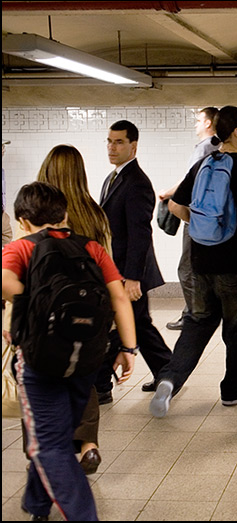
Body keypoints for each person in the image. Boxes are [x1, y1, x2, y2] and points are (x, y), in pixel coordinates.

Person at [2, 182, 136, 521]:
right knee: (60, 434)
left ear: (23, 221)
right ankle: (36, 504)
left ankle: (83, 515)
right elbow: (119, 297)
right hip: (87, 358)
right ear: (64, 215)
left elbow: (3, 281)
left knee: (49, 445)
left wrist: (34, 303)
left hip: (38, 362)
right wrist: (128, 348)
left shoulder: (22, 248)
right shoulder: (90, 247)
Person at [149, 106, 237, 418]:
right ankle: (233, 391)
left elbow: (176, 205)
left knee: (196, 324)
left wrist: (200, 226)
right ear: (235, 130)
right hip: (231, 263)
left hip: (199, 260)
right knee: (236, 329)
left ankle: (169, 380)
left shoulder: (205, 163)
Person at [36, 145, 113, 474]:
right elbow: (109, 263)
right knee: (84, 377)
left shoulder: (38, 214)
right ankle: (88, 444)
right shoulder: (95, 213)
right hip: (91, 309)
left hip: (50, 313)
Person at [96, 120, 172, 404]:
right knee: (138, 325)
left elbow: (140, 234)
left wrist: (132, 278)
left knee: (118, 324)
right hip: (120, 270)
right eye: (109, 141)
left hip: (129, 273)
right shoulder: (113, 178)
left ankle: (100, 385)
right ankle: (170, 373)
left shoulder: (137, 183)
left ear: (133, 146)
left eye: (118, 142)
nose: (111, 148)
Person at [159, 106, 221, 332]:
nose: (196, 123)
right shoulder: (218, 147)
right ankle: (200, 311)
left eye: (198, 120)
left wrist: (169, 193)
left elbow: (190, 180)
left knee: (186, 269)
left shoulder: (205, 147)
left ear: (208, 123)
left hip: (195, 217)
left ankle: (194, 316)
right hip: (212, 219)